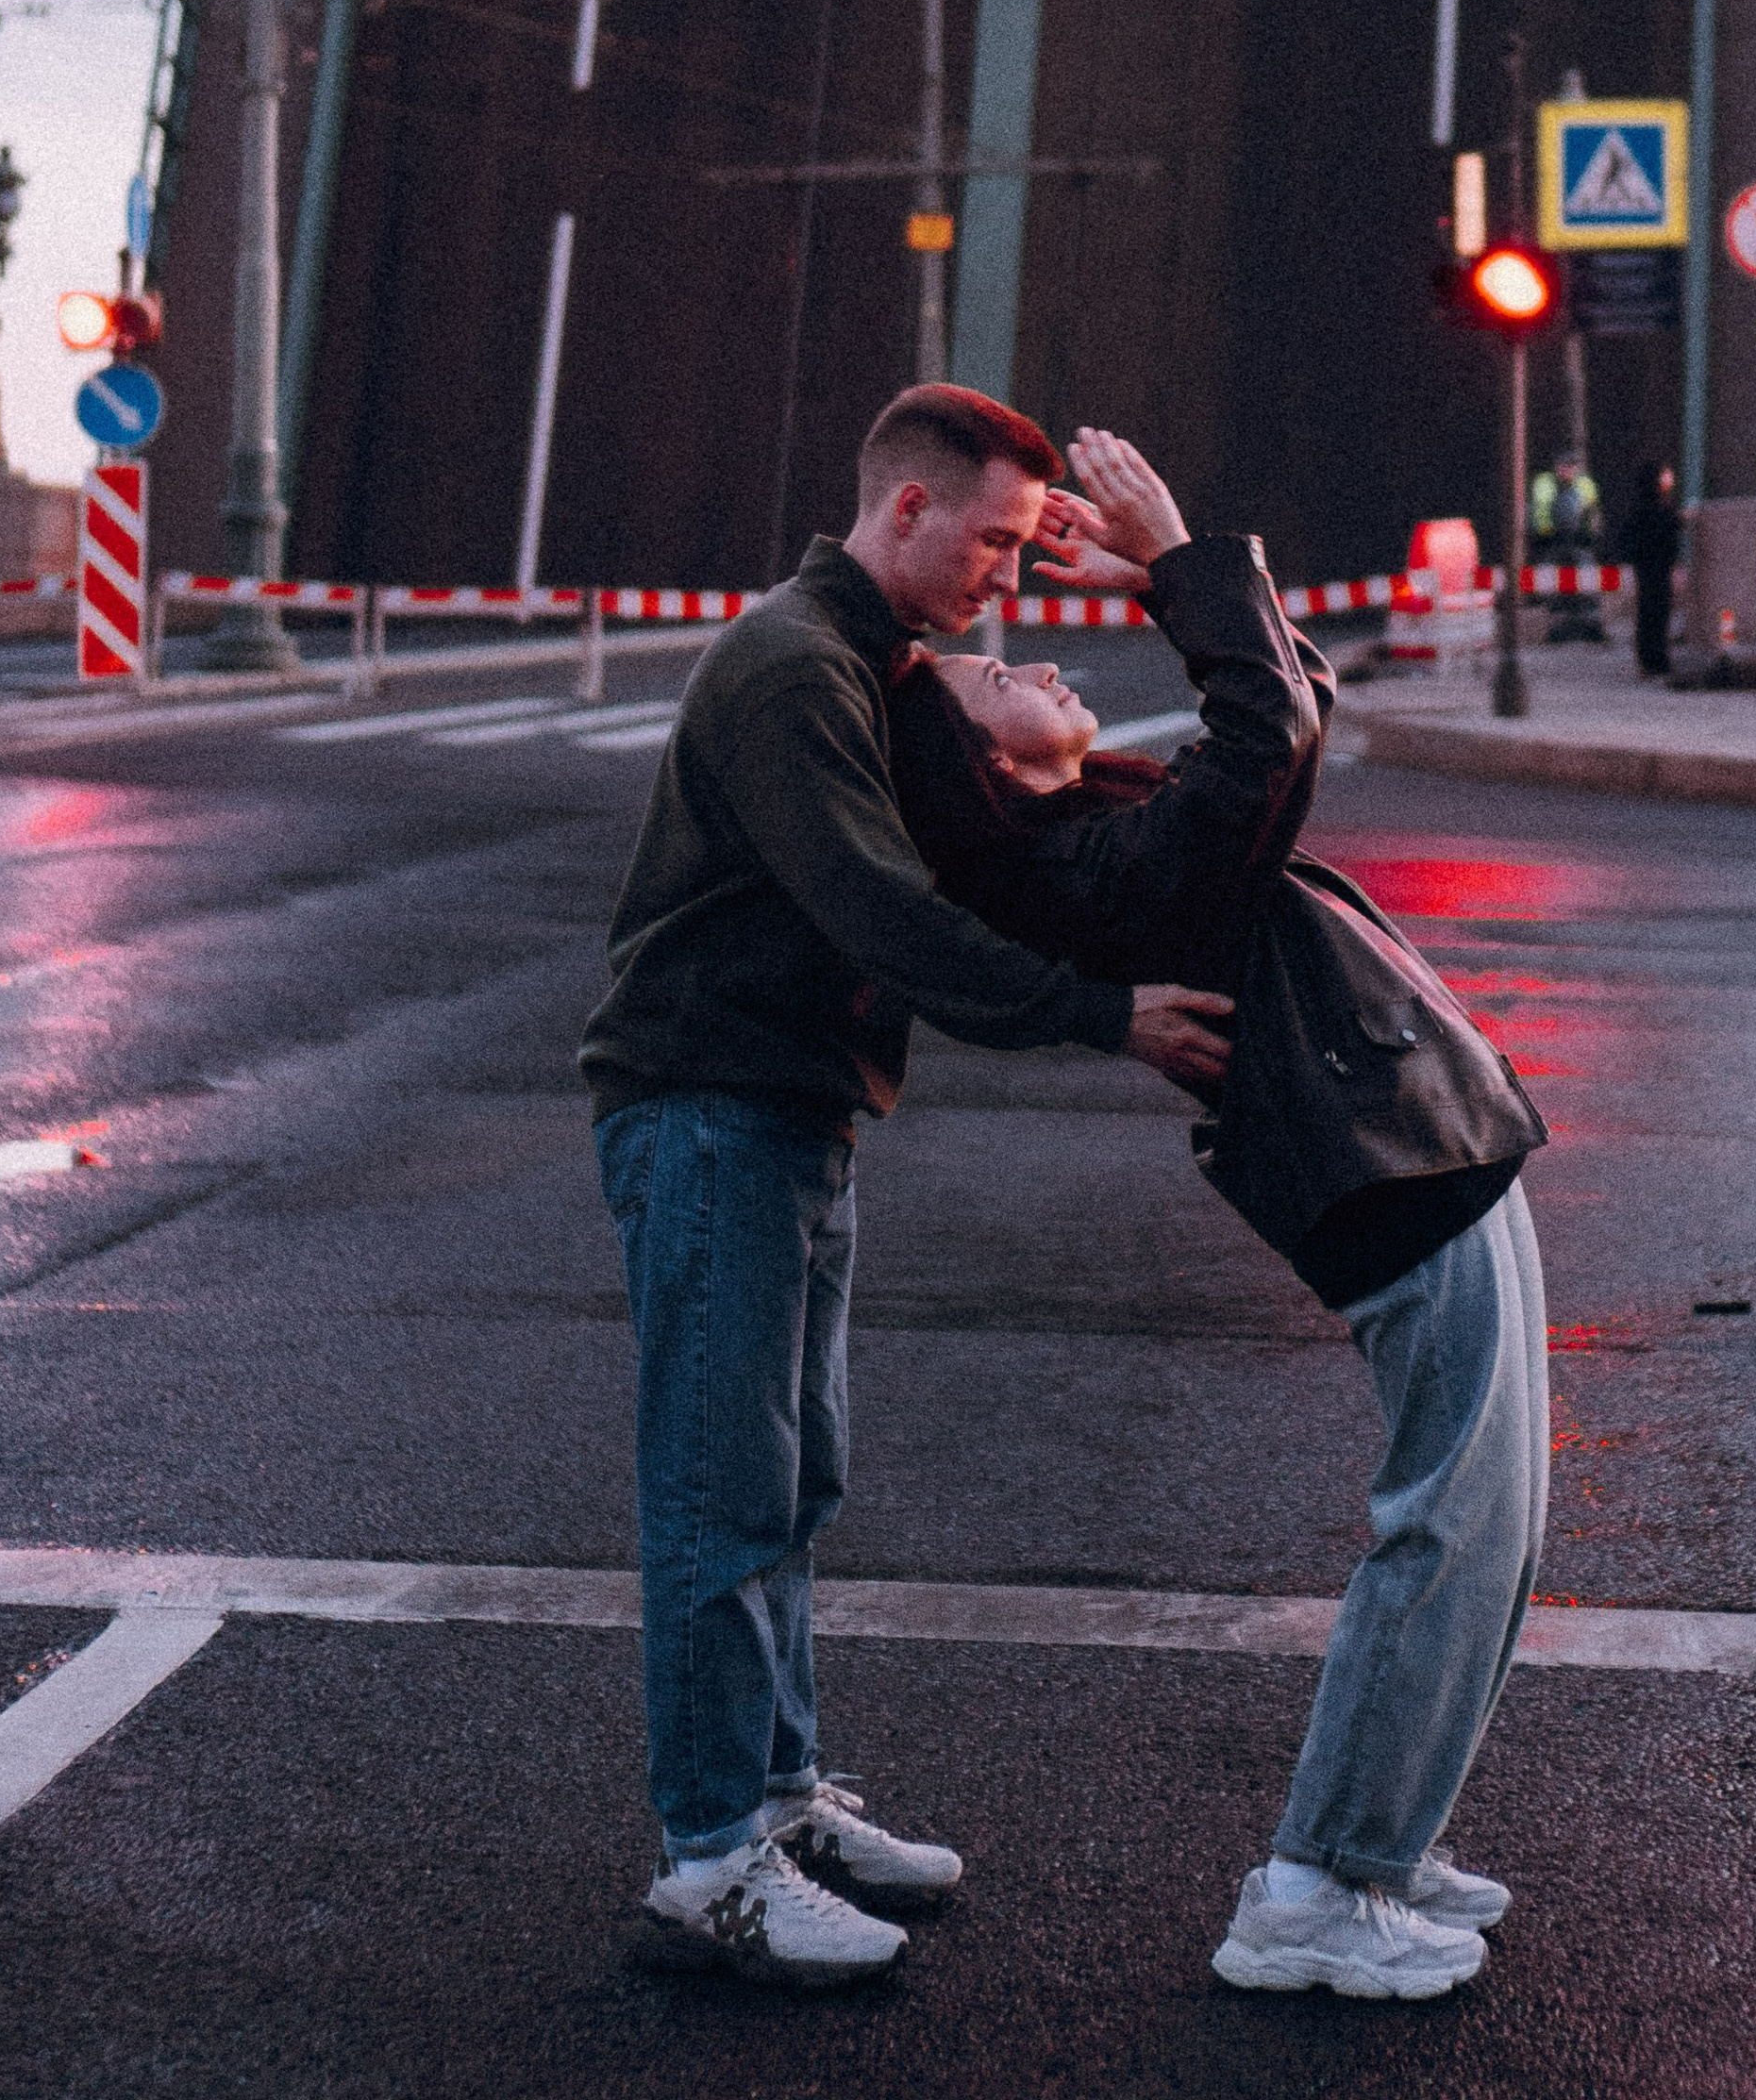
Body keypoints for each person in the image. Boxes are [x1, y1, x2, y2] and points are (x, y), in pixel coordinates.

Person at [579, 387, 1234, 1990]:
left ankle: (782, 1800)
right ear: (908, 514)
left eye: (1030, 545)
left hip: (794, 1111)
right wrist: (1100, 1016)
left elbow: (1020, 750)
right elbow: (882, 907)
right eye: (998, 541)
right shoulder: (800, 668)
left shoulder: (880, 656)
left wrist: (1100, 554)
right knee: (721, 1496)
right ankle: (711, 1860)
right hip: (715, 1107)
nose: (1015, 574)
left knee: (792, 1485)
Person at [889, 428, 1549, 2007]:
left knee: (1498, 1523)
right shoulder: (1079, 874)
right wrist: (1182, 566)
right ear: (985, 773)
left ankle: (1387, 1840)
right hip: (1377, 1171)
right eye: (995, 683)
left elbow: (1288, 710)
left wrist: (1192, 592)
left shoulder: (1108, 834)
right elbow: (1262, 742)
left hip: (1429, 1148)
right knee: (1446, 1524)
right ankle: (1318, 1885)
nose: (1033, 660)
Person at [1613, 456, 1681, 678]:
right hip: (1656, 567)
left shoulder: (1644, 507)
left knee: (1650, 613)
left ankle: (1650, 659)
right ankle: (1655, 660)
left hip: (1649, 567)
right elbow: (1664, 529)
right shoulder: (1655, 508)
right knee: (1656, 613)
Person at [1530, 450, 1606, 642]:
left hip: (1580, 541)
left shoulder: (1585, 485)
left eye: (1570, 467)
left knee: (1587, 580)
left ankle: (1591, 625)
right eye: (1563, 466)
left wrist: (1592, 534)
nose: (1566, 471)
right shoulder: (1544, 484)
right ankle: (1557, 628)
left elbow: (1593, 512)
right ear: (1556, 467)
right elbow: (1538, 512)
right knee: (1551, 583)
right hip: (1551, 541)